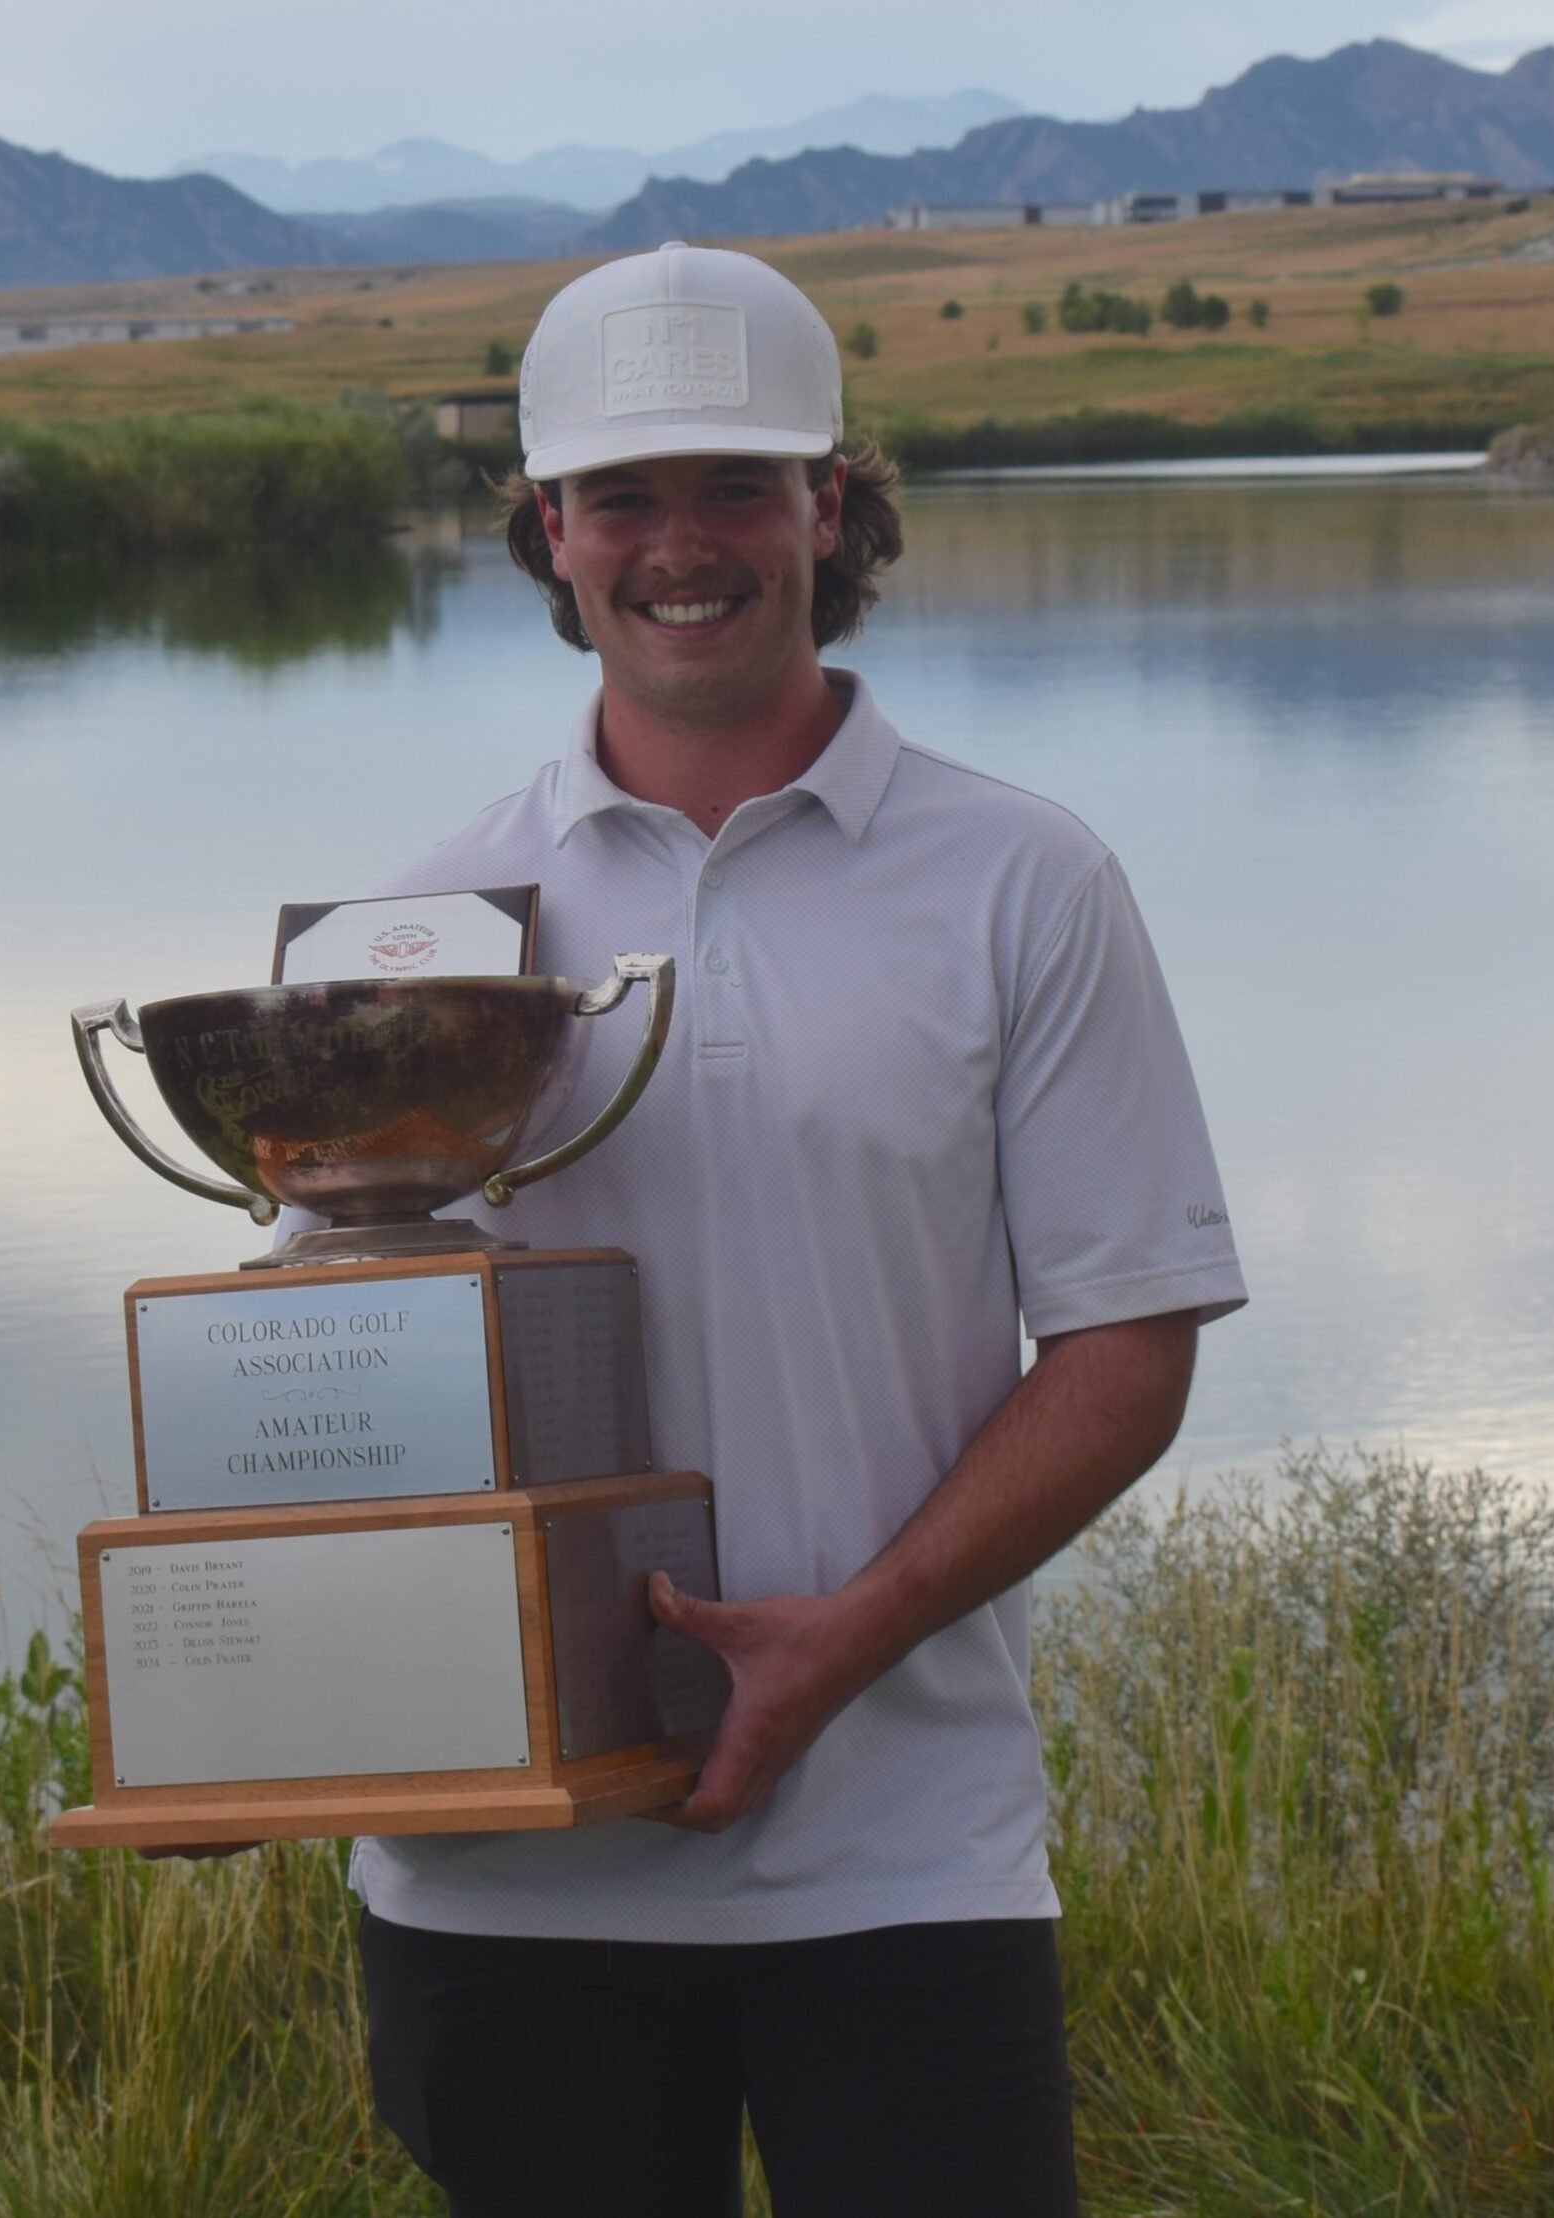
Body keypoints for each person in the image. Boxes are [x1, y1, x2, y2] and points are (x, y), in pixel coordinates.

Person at [353, 243, 1247, 2217]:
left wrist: (843, 1639)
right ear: (550, 530)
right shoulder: (421, 930)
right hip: (506, 1881)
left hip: (906, 1858)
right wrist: (258, 1710)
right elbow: (334, 1382)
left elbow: (1125, 1344)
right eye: (622, 496)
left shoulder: (1024, 880)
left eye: (735, 486)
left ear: (828, 506)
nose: (682, 546)